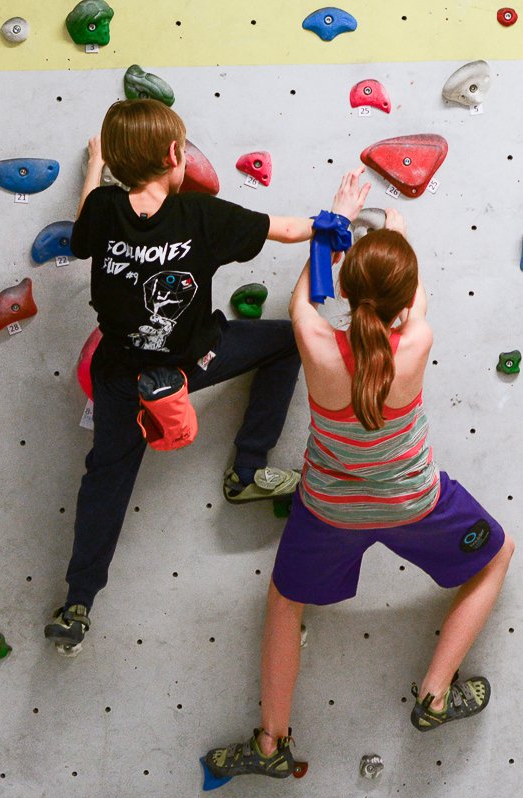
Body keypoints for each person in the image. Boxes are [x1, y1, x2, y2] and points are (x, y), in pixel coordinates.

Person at [204, 169, 515, 779]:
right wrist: (400, 240)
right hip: (414, 503)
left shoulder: (316, 345)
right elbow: (412, 299)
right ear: (405, 298)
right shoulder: (416, 340)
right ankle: (434, 694)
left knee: (285, 602)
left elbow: (302, 302)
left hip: (328, 509)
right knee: (496, 556)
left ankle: (271, 745)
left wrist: (334, 222)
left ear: (344, 290)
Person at [44, 98, 322, 654]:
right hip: (191, 364)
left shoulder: (102, 208)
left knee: (106, 481)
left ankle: (78, 603)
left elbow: (80, 232)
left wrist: (95, 167)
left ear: (119, 164)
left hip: (121, 377)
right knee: (290, 341)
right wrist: (336, 220)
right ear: (176, 155)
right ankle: (247, 469)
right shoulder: (203, 216)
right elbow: (292, 229)